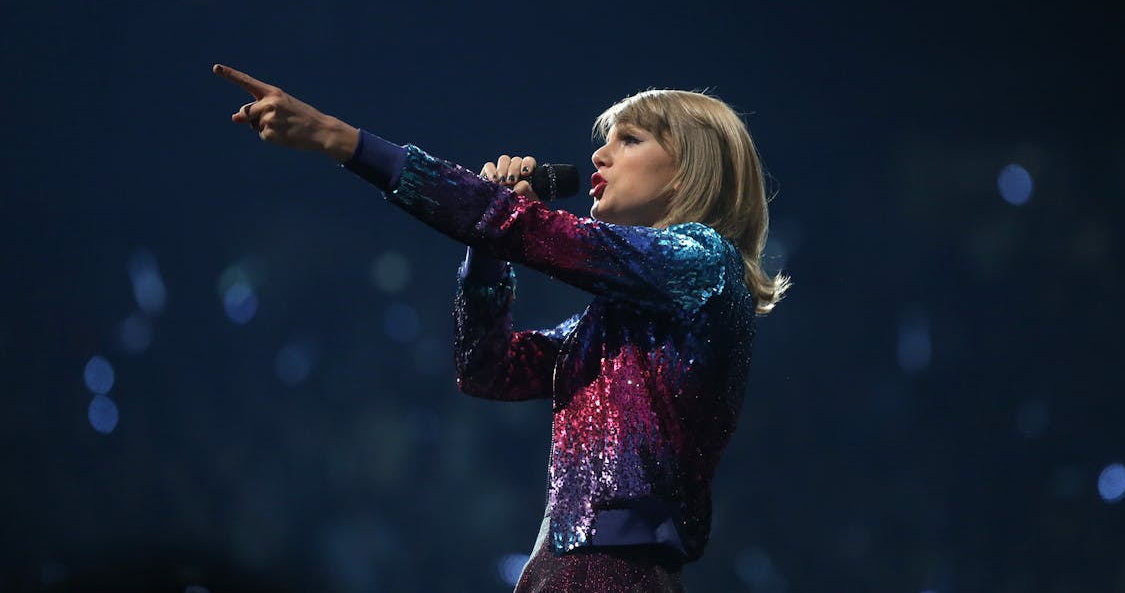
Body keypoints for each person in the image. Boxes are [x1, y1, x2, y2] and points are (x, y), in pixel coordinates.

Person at [211, 64, 789, 593]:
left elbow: (524, 229)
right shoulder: (620, 320)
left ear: (692, 170)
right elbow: (489, 367)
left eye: (629, 140)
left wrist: (336, 138)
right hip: (566, 570)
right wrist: (487, 248)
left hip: (609, 573)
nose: (599, 158)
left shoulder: (703, 259)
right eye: (603, 142)